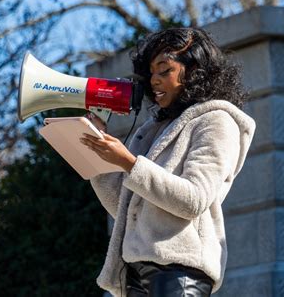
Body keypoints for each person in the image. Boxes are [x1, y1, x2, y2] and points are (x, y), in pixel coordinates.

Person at [80, 27, 256, 297]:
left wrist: (129, 162)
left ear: (195, 71)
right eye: (151, 73)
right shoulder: (152, 130)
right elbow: (124, 206)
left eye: (164, 70)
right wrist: (96, 153)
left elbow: (194, 200)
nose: (154, 81)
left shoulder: (217, 121)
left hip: (179, 271)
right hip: (135, 271)